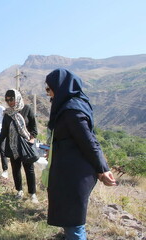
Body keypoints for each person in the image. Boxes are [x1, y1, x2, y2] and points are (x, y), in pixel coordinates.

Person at [45, 68, 116, 240]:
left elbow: (88, 141)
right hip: (69, 172)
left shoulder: (72, 110)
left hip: (74, 175)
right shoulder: (68, 107)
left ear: (60, 87)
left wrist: (103, 169)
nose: (48, 93)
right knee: (70, 220)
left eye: (49, 88)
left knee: (74, 224)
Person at [0, 89, 39, 203]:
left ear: (17, 98)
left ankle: (32, 194)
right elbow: (4, 132)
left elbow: (34, 128)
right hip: (13, 147)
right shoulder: (7, 113)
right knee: (15, 170)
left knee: (29, 170)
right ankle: (19, 190)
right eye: (7, 100)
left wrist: (32, 138)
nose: (9, 102)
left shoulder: (27, 109)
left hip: (25, 146)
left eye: (11, 99)